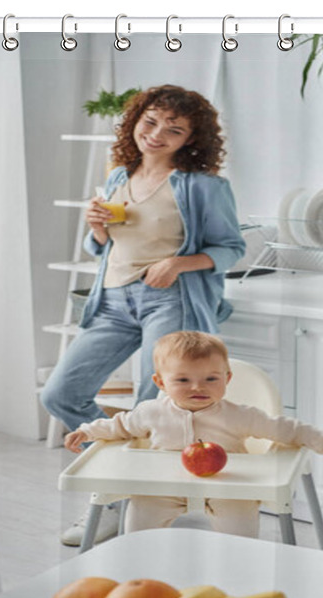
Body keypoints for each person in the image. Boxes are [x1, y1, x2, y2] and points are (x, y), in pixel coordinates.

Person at [41, 85, 246, 545]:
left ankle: (116, 504)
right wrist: (96, 229)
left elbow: (231, 247)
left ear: (190, 139)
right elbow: (103, 247)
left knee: (149, 406)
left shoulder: (203, 186)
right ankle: (123, 481)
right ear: (135, 120)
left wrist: (178, 262)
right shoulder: (119, 177)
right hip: (113, 300)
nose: (157, 134)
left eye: (174, 129)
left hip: (168, 299)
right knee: (61, 394)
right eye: (150, 122)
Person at [64, 331, 323, 537]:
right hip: (162, 487)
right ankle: (142, 568)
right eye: (182, 379)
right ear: (160, 382)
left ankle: (238, 567)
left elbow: (288, 430)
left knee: (241, 526)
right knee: (139, 520)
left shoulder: (240, 415)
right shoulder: (150, 412)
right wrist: (86, 431)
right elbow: (119, 426)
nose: (197, 387)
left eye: (211, 379)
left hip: (228, 488)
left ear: (227, 379)